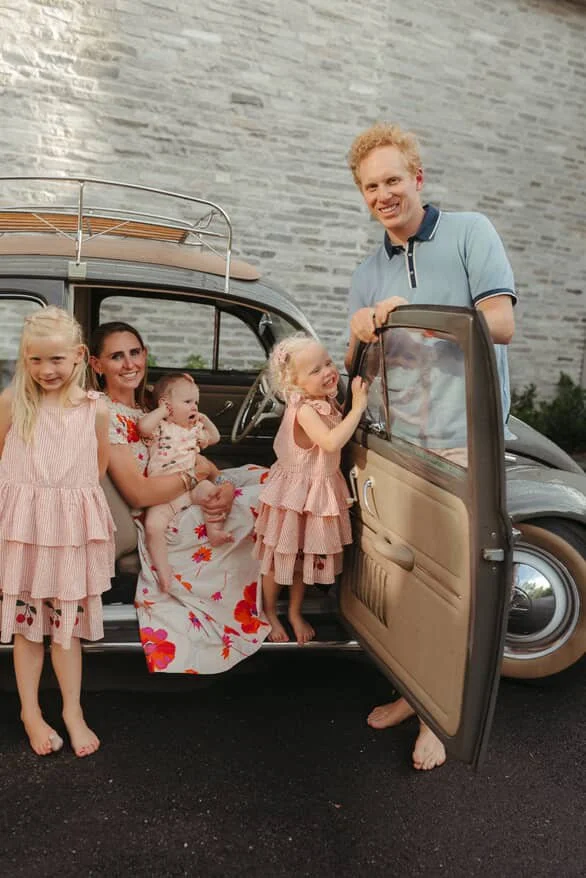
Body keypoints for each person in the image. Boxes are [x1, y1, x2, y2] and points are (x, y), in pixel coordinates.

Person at [345, 122, 517, 771]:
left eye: (393, 180)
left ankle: (437, 719)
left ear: (416, 178)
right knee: (403, 579)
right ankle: (410, 692)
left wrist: (406, 318)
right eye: (371, 187)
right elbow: (358, 364)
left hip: (463, 442)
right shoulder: (367, 271)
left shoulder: (471, 232)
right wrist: (359, 330)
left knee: (452, 588)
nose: (383, 194)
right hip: (399, 442)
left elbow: (501, 322)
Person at [89, 321, 270, 674]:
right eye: (116, 357)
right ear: (97, 365)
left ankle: (284, 588)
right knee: (266, 500)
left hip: (188, 491)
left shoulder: (152, 403)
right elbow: (139, 492)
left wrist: (221, 483)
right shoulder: (107, 416)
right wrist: (197, 476)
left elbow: (195, 456)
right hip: (161, 515)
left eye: (135, 353)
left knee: (268, 478)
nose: (129, 364)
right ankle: (286, 597)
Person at [0, 307, 114, 757]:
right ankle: (30, 712)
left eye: (57, 359)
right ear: (24, 359)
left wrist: (64, 505)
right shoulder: (13, 402)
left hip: (68, 532)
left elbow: (96, 469)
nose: (46, 370)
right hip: (25, 531)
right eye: (36, 360)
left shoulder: (94, 409)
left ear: (80, 355)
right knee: (28, 629)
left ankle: (72, 710)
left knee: (67, 629)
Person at [254, 333, 368, 644]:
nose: (328, 372)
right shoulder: (304, 409)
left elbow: (335, 422)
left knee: (304, 559)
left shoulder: (324, 400)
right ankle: (269, 611)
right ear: (295, 384)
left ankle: (294, 611)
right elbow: (331, 441)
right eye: (316, 370)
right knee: (280, 558)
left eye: (328, 363)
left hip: (316, 493)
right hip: (296, 495)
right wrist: (358, 408)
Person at [138, 372, 233, 592]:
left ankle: (214, 531)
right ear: (166, 405)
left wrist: (205, 421)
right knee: (153, 527)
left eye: (196, 403)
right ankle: (163, 571)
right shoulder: (160, 427)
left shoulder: (194, 430)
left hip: (192, 486)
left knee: (212, 494)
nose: (194, 407)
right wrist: (162, 412)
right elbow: (143, 427)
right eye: (188, 402)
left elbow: (215, 438)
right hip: (164, 493)